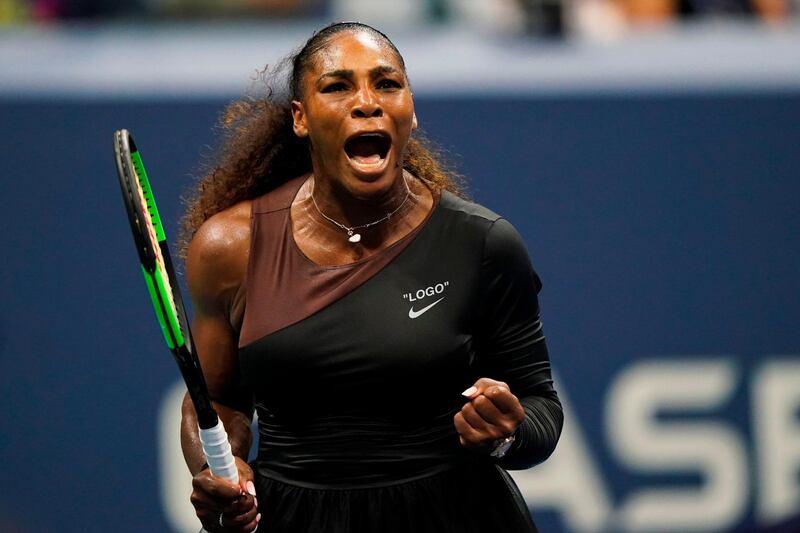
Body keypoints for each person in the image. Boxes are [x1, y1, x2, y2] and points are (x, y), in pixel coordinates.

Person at [179, 21, 563, 533]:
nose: (367, 102)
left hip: (457, 517)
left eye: (387, 83)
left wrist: (507, 433)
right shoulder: (229, 248)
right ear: (301, 118)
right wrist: (219, 472)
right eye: (337, 86)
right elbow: (220, 399)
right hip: (296, 519)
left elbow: (540, 406)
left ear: (411, 108)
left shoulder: (482, 243)